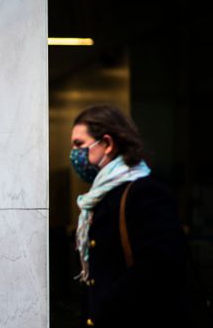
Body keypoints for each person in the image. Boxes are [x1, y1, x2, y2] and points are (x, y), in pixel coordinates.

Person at [69, 104, 191, 327]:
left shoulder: (144, 193)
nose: (74, 154)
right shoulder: (100, 197)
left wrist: (107, 308)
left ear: (107, 144)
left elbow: (159, 268)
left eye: (80, 145)